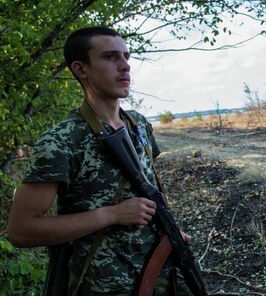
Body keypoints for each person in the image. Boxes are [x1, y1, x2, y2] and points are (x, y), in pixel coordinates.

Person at [8, 27, 180, 294]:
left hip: (161, 275)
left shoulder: (139, 125)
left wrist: (170, 235)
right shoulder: (60, 141)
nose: (125, 66)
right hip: (103, 286)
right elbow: (22, 230)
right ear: (81, 69)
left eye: (126, 56)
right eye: (111, 57)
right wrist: (112, 214)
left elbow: (148, 192)